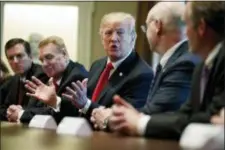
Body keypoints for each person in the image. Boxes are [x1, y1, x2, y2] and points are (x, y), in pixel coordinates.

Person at [108, 1, 225, 139]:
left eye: (186, 25)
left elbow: (209, 118)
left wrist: (139, 121)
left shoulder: (211, 61)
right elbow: (186, 116)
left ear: (201, 27)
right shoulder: (202, 67)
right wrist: (135, 118)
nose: (184, 33)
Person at [25, 12, 154, 124]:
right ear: (102, 38)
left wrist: (86, 105)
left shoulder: (142, 74)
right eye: (108, 33)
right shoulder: (97, 65)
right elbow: (78, 111)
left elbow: (123, 120)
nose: (114, 38)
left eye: (120, 32)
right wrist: (55, 101)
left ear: (133, 37)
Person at [91, 2, 201, 130]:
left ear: (157, 26)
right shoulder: (174, 60)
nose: (114, 38)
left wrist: (112, 118)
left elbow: (159, 112)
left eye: (146, 27)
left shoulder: (183, 63)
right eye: (108, 33)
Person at [23, 36, 88, 123]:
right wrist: (22, 111)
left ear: (64, 54)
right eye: (42, 60)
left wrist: (21, 113)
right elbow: (36, 108)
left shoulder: (76, 76)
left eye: (49, 57)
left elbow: (57, 114)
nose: (44, 64)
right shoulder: (50, 78)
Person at [0, 38, 48, 122]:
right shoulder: (12, 80)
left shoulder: (42, 75)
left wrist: (19, 112)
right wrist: (9, 112)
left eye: (19, 56)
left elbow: (40, 109)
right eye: (11, 58)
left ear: (30, 56)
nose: (15, 61)